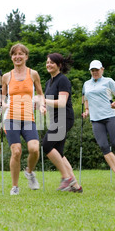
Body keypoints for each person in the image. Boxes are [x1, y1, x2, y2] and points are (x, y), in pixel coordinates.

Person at [0, 44, 44, 195]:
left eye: (21, 54)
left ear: (26, 56)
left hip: (28, 118)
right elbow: (2, 95)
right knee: (16, 151)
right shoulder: (6, 76)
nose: (17, 56)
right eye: (14, 54)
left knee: (34, 149)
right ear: (11, 57)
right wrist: (2, 102)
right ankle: (15, 186)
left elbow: (39, 94)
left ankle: (29, 172)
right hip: (11, 118)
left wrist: (41, 105)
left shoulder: (33, 74)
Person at [82, 60, 115, 189]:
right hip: (96, 119)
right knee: (104, 146)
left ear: (102, 69)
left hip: (110, 116)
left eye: (97, 70)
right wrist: (86, 110)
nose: (95, 72)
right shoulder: (86, 84)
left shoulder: (109, 81)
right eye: (92, 70)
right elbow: (85, 99)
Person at [40, 53, 83, 193]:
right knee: (59, 152)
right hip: (56, 118)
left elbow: (62, 102)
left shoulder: (63, 80)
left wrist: (45, 101)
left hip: (65, 118)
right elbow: (49, 102)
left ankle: (66, 178)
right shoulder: (48, 83)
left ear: (59, 65)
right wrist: (43, 106)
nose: (48, 65)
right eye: (47, 62)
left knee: (46, 145)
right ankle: (75, 186)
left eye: (52, 62)